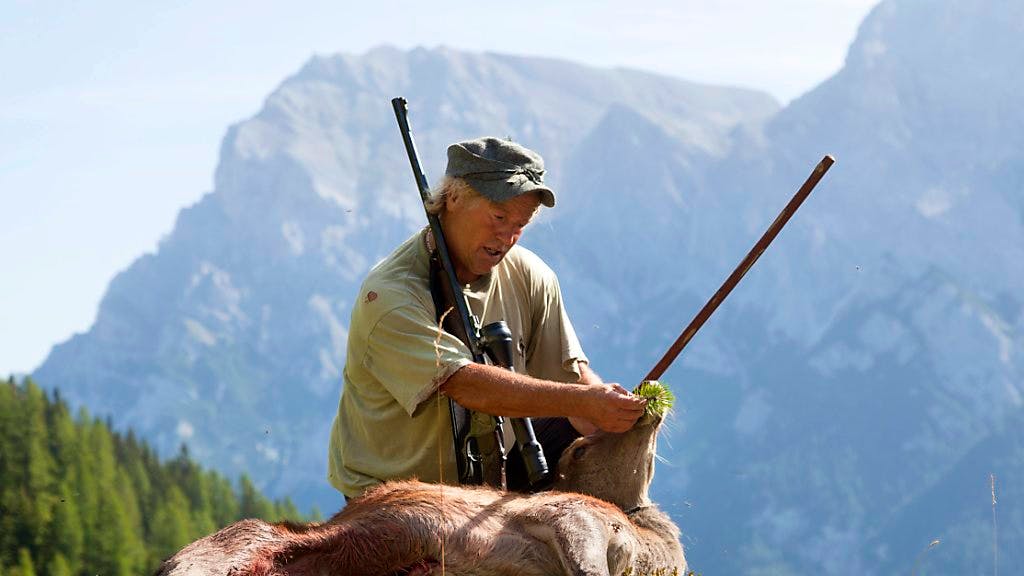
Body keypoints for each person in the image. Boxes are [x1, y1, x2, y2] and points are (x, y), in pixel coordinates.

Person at [327, 137, 646, 499]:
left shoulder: (530, 275)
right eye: (498, 217)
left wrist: (614, 418)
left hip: (492, 480)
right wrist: (583, 401)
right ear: (453, 198)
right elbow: (466, 385)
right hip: (392, 497)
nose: (508, 236)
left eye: (520, 224)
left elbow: (569, 377)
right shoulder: (389, 297)